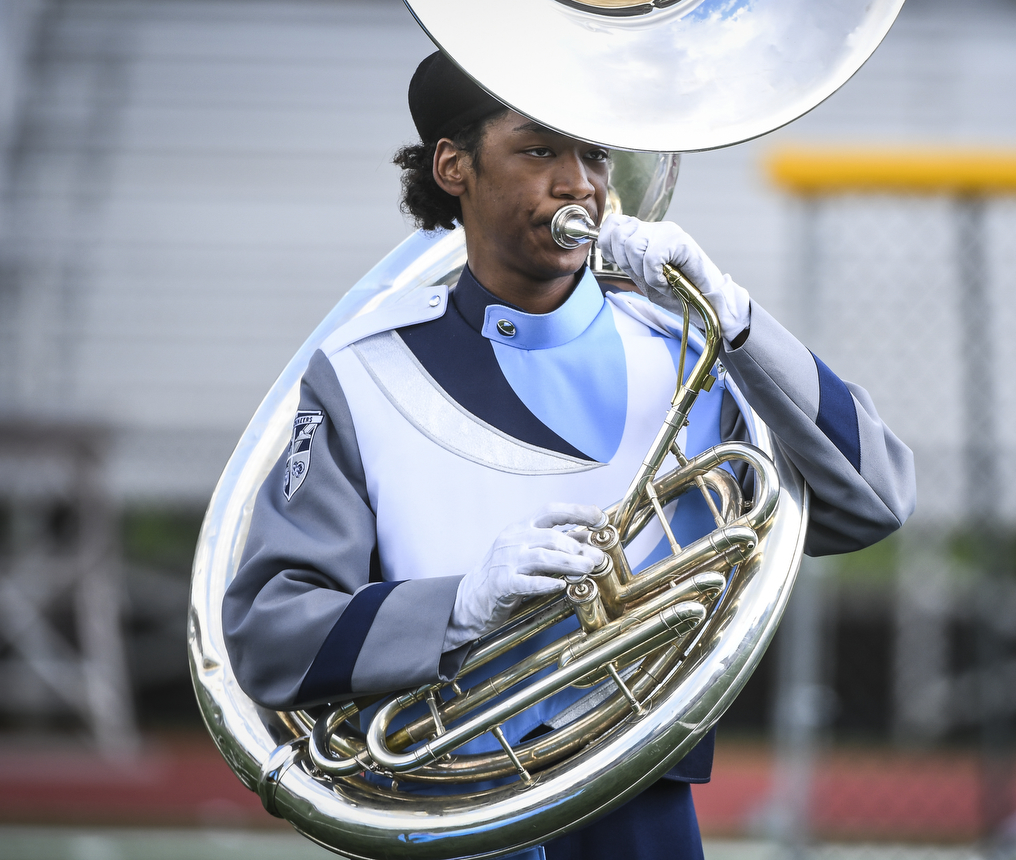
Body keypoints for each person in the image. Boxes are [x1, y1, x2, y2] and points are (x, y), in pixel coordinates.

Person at [223, 50, 915, 860]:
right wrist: (458, 606)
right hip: (443, 813)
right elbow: (270, 632)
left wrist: (735, 316)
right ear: (454, 166)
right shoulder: (361, 370)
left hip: (640, 813)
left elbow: (875, 499)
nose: (579, 183)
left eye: (593, 154)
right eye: (540, 150)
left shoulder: (689, 345)